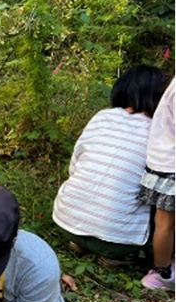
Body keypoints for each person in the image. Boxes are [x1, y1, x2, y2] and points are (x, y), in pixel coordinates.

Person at [53, 65, 168, 264]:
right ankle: (118, 255)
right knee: (164, 206)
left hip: (65, 221)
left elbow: (75, 164)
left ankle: (80, 242)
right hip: (116, 239)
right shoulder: (158, 134)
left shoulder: (103, 116)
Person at [139, 78, 175, 291]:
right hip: (171, 164)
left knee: (165, 222)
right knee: (166, 223)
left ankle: (162, 268)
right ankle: (161, 273)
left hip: (162, 161)